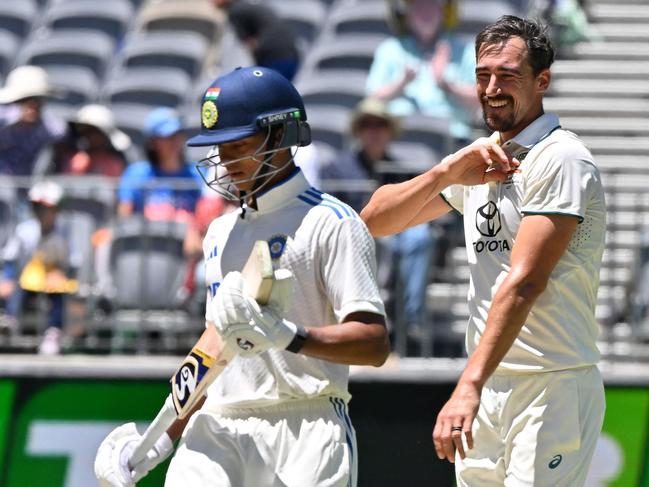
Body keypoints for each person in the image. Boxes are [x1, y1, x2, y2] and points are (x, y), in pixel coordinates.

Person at [94, 66, 390, 486]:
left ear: (280, 136)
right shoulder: (219, 230)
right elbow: (216, 344)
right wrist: (160, 438)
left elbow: (374, 344)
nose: (225, 162)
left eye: (238, 146)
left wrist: (287, 335)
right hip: (218, 425)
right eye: (219, 147)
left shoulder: (332, 222)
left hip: (306, 424)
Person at [361, 15, 606, 486]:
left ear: (543, 81)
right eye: (481, 74)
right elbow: (373, 221)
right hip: (492, 384)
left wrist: (467, 384)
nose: (491, 87)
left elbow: (525, 281)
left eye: (507, 76)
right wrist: (446, 172)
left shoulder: (562, 158)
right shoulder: (484, 156)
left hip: (550, 385)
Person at [321, 97, 438, 346]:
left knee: (421, 236)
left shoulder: (400, 170)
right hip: (355, 235)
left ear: (389, 131)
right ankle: (386, 319)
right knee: (388, 246)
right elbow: (329, 214)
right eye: (367, 125)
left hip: (398, 232)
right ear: (359, 131)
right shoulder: (336, 169)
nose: (373, 131)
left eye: (380, 125)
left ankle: (411, 317)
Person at [366, 0, 479, 145]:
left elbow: (481, 100)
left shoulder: (465, 51)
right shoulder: (390, 50)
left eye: (432, 5)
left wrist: (445, 84)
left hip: (453, 141)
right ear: (407, 14)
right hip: (400, 139)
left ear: (443, 11)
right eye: (418, 7)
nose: (425, 12)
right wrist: (402, 82)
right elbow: (372, 99)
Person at [0, 180, 79, 355]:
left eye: (46, 208)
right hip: (27, 280)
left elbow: (73, 262)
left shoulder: (63, 233)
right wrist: (6, 279)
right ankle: (9, 321)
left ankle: (53, 332)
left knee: (58, 291)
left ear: (56, 210)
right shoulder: (24, 230)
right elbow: (11, 258)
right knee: (17, 286)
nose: (42, 213)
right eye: (38, 207)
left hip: (54, 280)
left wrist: (63, 276)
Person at [116, 107, 202, 223]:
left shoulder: (198, 173)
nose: (174, 141)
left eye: (177, 134)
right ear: (153, 142)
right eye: (167, 137)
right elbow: (124, 215)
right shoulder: (136, 173)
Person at [0, 65, 67, 177]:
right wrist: (16, 115)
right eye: (24, 100)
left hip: (25, 185)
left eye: (37, 100)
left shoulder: (45, 127)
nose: (32, 106)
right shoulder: (4, 117)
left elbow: (60, 130)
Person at [212, 0, 300, 81]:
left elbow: (249, 43)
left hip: (275, 59)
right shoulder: (247, 6)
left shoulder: (236, 11)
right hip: (290, 56)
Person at [52, 104, 131, 177]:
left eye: (94, 132)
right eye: (86, 131)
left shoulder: (113, 163)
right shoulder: (73, 161)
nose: (90, 136)